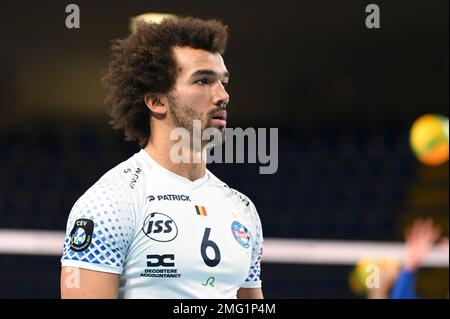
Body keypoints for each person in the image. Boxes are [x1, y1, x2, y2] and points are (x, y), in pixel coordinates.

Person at [60, 16, 264, 299]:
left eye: (223, 82)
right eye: (203, 80)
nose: (223, 96)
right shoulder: (110, 203)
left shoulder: (243, 209)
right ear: (156, 101)